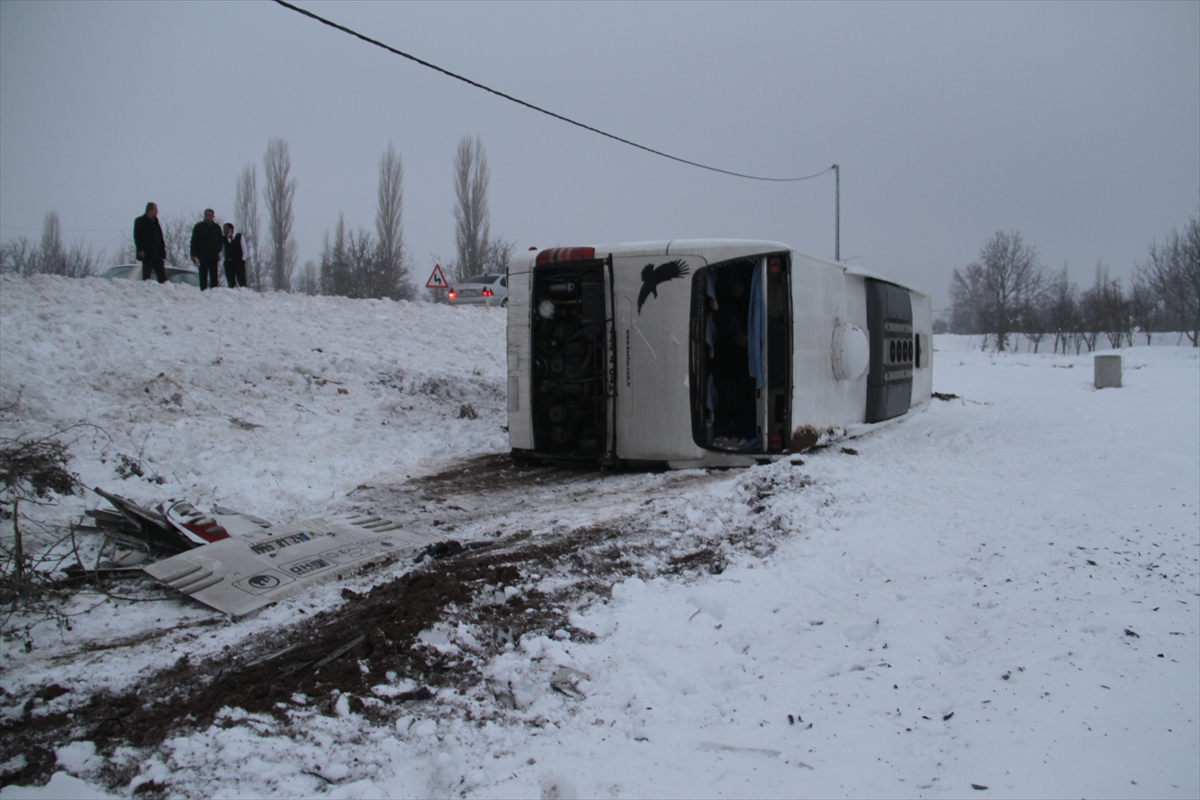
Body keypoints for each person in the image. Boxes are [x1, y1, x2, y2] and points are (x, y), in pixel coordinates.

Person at [190, 208, 224, 290]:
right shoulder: (198, 227)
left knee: (214, 276)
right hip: (202, 255)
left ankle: (214, 291)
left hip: (213, 256)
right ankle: (203, 291)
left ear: (213, 217)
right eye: (207, 215)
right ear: (204, 216)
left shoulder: (216, 228)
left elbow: (220, 240)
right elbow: (194, 241)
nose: (208, 217)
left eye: (210, 216)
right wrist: (193, 254)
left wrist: (218, 249)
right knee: (203, 275)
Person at [133, 202, 166, 283]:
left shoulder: (155, 221)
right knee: (147, 275)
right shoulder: (140, 221)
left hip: (157, 252)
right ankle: (145, 290)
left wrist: (163, 251)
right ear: (150, 210)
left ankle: (164, 289)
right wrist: (140, 249)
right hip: (147, 253)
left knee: (162, 276)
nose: (157, 212)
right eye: (156, 210)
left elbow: (160, 236)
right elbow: (137, 236)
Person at [222, 223, 248, 288]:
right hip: (228, 263)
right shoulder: (223, 239)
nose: (224, 231)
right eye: (224, 229)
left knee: (241, 280)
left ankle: (244, 292)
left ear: (230, 229)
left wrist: (243, 259)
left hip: (238, 262)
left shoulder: (239, 237)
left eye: (226, 229)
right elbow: (222, 251)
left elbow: (244, 248)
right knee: (230, 281)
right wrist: (224, 260)